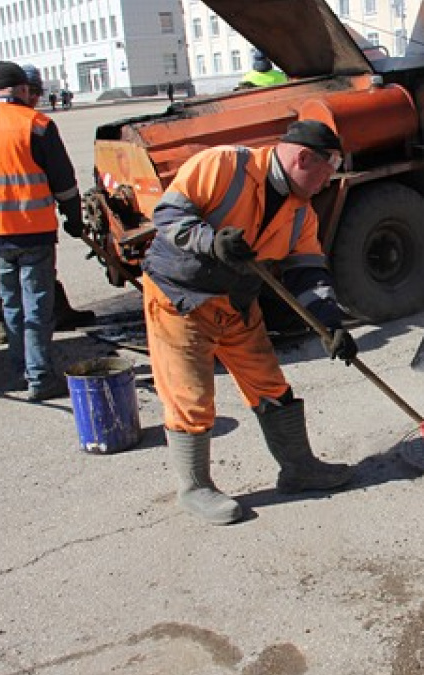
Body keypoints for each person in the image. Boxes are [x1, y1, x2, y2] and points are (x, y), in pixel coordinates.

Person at [142, 120, 358, 525]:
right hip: (180, 297)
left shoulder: (301, 214)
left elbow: (308, 272)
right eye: (327, 172)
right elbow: (168, 214)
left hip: (236, 303)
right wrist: (211, 241)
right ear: (302, 158)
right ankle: (195, 487)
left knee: (271, 385)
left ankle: (299, 468)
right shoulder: (222, 165)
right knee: (190, 395)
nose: (328, 183)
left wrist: (331, 324)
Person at [0, 61, 86, 401]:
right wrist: (74, 217)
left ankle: (20, 370)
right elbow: (64, 182)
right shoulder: (36, 125)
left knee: (11, 304)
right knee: (38, 305)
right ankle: (40, 378)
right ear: (22, 89)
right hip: (34, 231)